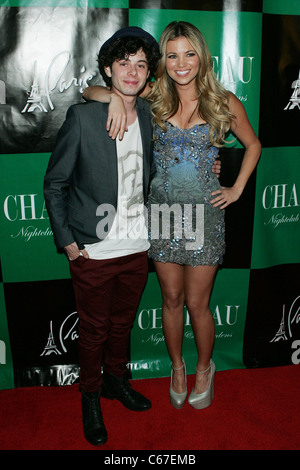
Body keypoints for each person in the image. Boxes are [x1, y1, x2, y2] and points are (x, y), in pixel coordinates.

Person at [83, 20, 260, 412]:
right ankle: (177, 368)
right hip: (161, 213)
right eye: (173, 55)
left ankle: (203, 369)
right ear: (165, 60)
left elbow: (253, 144)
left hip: (205, 217)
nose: (182, 64)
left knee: (198, 303)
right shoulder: (153, 96)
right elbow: (87, 89)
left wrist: (236, 188)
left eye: (190, 54)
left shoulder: (223, 101)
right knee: (171, 299)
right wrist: (113, 97)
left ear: (201, 57)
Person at [43, 26, 161, 446]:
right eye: (124, 63)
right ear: (108, 70)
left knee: (122, 324)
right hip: (93, 248)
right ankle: (89, 396)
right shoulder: (83, 116)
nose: (132, 72)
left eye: (141, 64)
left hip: (138, 245)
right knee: (93, 330)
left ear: (149, 74)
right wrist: (67, 239)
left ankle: (116, 381)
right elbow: (55, 183)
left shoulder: (148, 113)